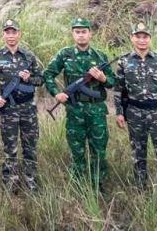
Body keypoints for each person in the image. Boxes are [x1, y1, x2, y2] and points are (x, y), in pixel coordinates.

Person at [43, 17, 114, 188]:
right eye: (77, 32)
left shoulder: (100, 56)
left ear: (90, 34)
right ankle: (78, 185)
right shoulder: (65, 54)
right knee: (77, 150)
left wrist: (103, 78)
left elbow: (113, 82)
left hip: (97, 110)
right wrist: (56, 93)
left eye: (84, 32)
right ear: (73, 34)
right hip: (74, 110)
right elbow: (48, 74)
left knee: (98, 149)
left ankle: (99, 185)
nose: (81, 35)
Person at [114, 23, 157, 196]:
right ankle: (140, 192)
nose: (142, 40)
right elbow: (119, 90)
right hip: (135, 114)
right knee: (138, 155)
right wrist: (120, 113)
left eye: (145, 37)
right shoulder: (123, 62)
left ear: (150, 39)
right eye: (138, 36)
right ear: (132, 38)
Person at [0, 18, 43, 192]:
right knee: (10, 148)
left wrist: (29, 79)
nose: (11, 36)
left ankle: (31, 181)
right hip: (8, 109)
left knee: (30, 146)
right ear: (3, 34)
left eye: (14, 32)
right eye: (7, 32)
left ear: (19, 34)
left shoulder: (29, 56)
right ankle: (10, 183)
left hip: (28, 109)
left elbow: (41, 79)